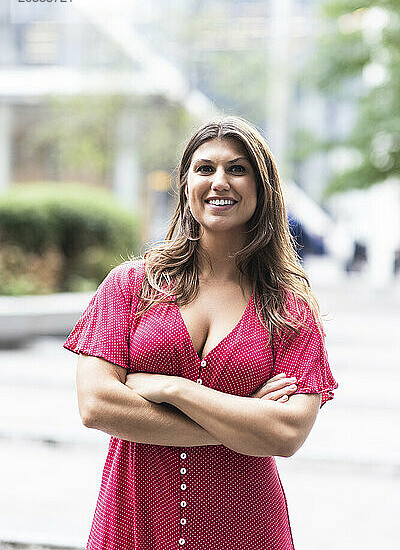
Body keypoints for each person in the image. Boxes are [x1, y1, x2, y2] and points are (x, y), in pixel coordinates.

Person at [63, 115, 338, 550]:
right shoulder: (132, 285)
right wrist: (245, 420)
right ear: (186, 183)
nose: (220, 181)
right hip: (133, 525)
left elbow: (286, 434)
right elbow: (96, 404)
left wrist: (174, 389)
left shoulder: (289, 307)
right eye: (205, 168)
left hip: (245, 530)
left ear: (263, 186)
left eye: (238, 168)